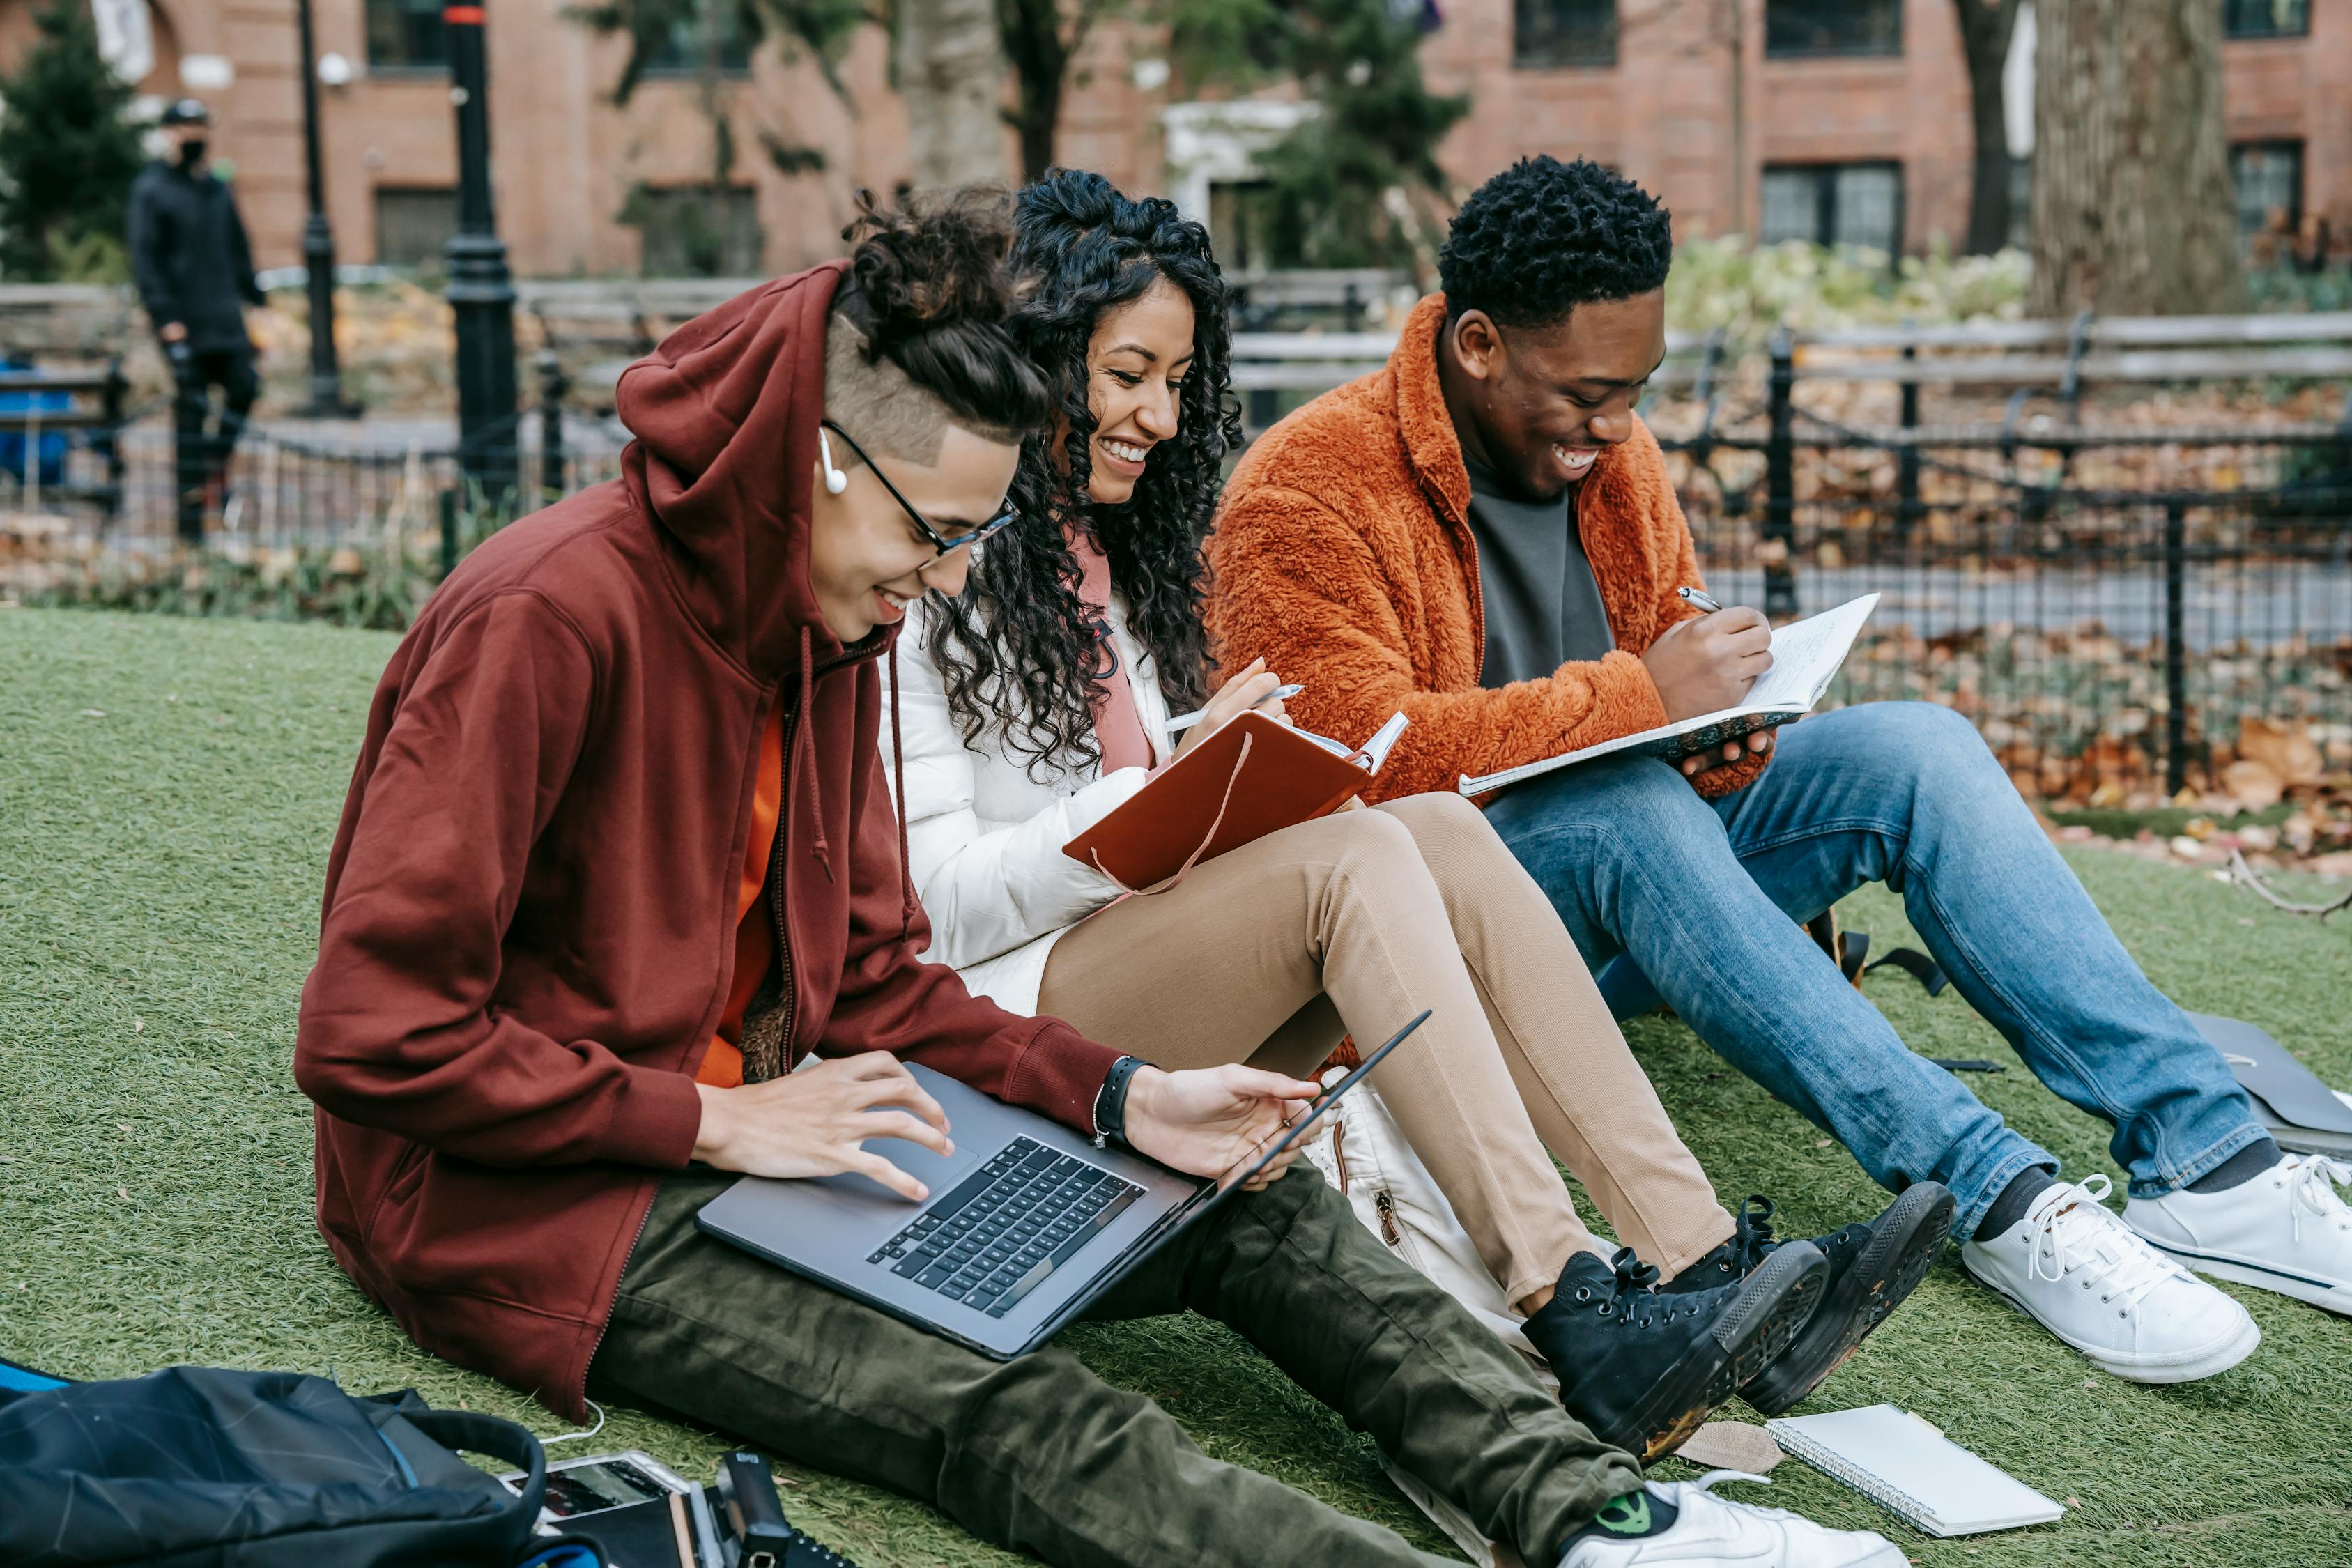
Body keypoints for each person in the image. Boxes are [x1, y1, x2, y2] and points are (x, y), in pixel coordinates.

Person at [292, 186, 1907, 1568]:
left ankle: (1600, 1521)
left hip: (811, 1117)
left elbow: (871, 979)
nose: (935, 585)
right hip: (567, 1207)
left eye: (967, 547)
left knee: (1242, 1199)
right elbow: (372, 1033)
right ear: (823, 460)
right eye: (928, 535)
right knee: (1000, 1404)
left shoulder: (828, 612)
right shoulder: (543, 618)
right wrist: (719, 1118)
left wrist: (1121, 1093)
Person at [1207, 155, 2352, 1384]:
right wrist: (1645, 700)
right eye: (1587, 394)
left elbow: (1666, 640)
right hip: (1451, 933)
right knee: (1617, 804)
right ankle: (2000, 1199)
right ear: (1479, 344)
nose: (1613, 430)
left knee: (1917, 748)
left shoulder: (1615, 451)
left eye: (1636, 392)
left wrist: (1722, 723)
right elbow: (1342, 777)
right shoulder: (1305, 489)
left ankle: (2208, 1163)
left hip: (1643, 866)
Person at [885, 169, 1950, 1461]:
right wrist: (1166, 793)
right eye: (1124, 376)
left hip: (1137, 948)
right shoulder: (917, 564)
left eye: (1176, 382)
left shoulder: (1125, 555)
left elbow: (1144, 797)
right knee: (1353, 857)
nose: (1158, 417)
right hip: (1006, 1019)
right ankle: (1570, 1301)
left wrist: (1212, 775)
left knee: (1433, 831)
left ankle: (1695, 1261)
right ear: (1035, 355)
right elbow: (933, 909)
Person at [128, 98, 263, 544]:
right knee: (190, 414)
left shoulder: (216, 187)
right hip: (183, 323)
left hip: (225, 317)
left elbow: (239, 249)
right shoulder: (151, 189)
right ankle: (190, 529)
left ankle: (210, 466)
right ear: (169, 133)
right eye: (185, 128)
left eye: (200, 127)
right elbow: (146, 262)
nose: (194, 135)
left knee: (245, 388)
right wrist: (166, 319)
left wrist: (257, 301)